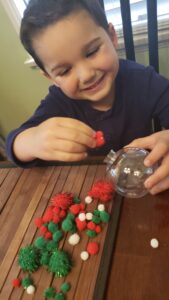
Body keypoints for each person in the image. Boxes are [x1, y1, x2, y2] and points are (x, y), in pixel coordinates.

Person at [5, 0, 169, 195]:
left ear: (112, 36)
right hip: (85, 191)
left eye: (91, 52)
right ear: (50, 77)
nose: (86, 75)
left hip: (143, 184)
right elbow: (13, 145)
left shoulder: (143, 81)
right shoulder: (58, 104)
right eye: (65, 71)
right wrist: (33, 140)